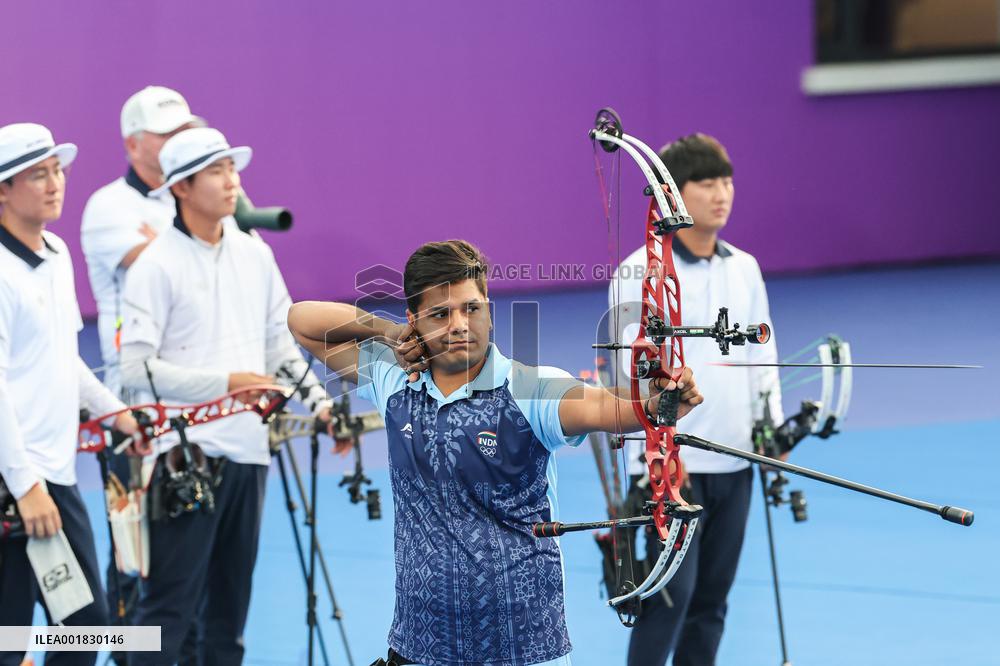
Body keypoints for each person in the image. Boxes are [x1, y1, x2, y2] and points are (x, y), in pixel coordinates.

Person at [287, 239, 704, 666]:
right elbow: (301, 320)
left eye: (472, 308)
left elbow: (602, 407)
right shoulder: (393, 379)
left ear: (488, 307)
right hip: (420, 647)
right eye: (440, 314)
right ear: (414, 321)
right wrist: (389, 331)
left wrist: (654, 405)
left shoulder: (528, 388)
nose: (459, 325)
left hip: (523, 649)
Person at [118, 126, 335, 665]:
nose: (232, 181)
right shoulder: (154, 266)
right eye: (216, 171)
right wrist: (228, 384)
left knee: (229, 618)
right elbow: (136, 370)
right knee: (168, 617)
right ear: (181, 188)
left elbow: (279, 343)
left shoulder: (254, 254)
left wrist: (321, 404)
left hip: (249, 455)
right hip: (182, 459)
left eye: (232, 169)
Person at [609, 133, 782, 666]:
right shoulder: (639, 270)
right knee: (669, 598)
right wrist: (653, 450)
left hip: (735, 458)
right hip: (671, 467)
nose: (721, 193)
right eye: (705, 183)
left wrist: (770, 430)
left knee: (711, 599)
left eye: (726, 181)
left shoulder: (744, 267)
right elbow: (628, 370)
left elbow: (762, 354)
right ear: (674, 196)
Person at [0, 122, 141, 666]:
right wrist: (26, 487)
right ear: (3, 191)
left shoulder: (56, 252)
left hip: (53, 480)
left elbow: (63, 356)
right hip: (18, 484)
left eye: (57, 170)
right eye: (38, 174)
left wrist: (117, 413)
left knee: (85, 630)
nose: (55, 183)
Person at [79, 85, 201, 654]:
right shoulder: (109, 206)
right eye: (167, 135)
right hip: (127, 408)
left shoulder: (192, 198)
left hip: (196, 403)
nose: (181, 142)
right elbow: (175, 262)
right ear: (133, 144)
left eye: (185, 131)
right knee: (132, 556)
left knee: (192, 549)